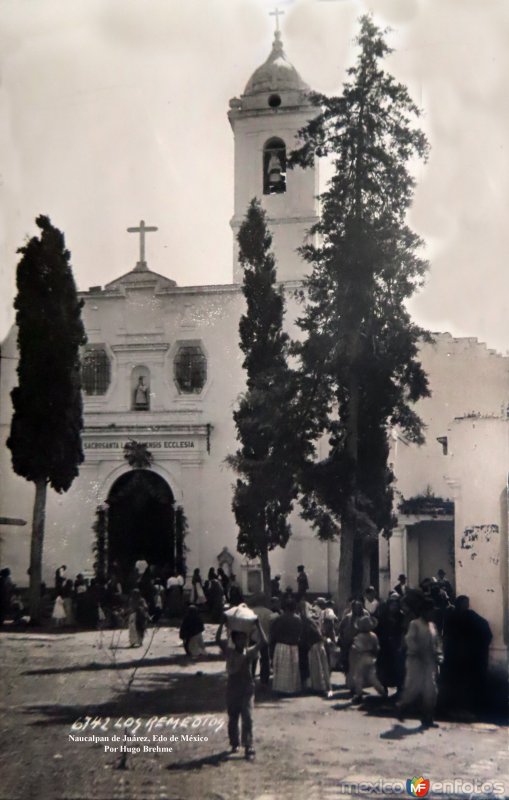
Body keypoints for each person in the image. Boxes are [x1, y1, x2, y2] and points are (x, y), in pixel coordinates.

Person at [216, 616, 267, 759]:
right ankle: (234, 742)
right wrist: (222, 623)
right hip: (233, 687)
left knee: (248, 716)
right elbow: (218, 640)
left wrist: (258, 625)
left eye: (244, 639)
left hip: (247, 688)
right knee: (233, 716)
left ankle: (248, 745)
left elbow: (264, 642)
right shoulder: (229, 652)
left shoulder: (249, 652)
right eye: (239, 639)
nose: (242, 642)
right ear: (234, 640)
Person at [441, 595, 492, 716]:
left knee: (466, 682)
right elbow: (447, 634)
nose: (466, 606)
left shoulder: (471, 616)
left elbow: (484, 628)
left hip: (467, 655)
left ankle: (466, 706)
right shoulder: (451, 616)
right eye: (464, 603)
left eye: (467, 604)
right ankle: (452, 706)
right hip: (454, 654)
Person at [397, 597, 443, 727]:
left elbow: (437, 642)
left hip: (429, 661)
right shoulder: (414, 624)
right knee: (413, 687)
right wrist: (418, 651)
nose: (432, 613)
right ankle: (402, 706)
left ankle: (427, 717)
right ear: (424, 612)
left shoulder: (432, 626)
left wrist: (439, 655)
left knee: (431, 689)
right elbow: (409, 640)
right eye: (430, 611)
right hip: (415, 660)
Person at [347, 616, 386, 703]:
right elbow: (377, 648)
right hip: (371, 656)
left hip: (361, 656)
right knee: (372, 676)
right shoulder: (373, 635)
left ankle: (359, 694)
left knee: (358, 676)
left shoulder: (359, 636)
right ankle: (382, 691)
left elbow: (355, 648)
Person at [270, 597, 303, 694]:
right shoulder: (298, 619)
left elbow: (273, 634)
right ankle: (292, 689)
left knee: (281, 670)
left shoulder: (279, 619)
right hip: (293, 646)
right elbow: (299, 633)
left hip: (281, 646)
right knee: (293, 669)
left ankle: (280, 689)